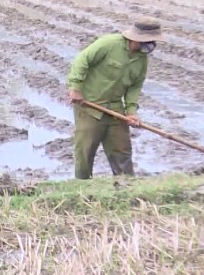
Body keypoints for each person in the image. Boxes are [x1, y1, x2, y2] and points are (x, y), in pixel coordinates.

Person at [66, 19, 164, 180]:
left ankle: (127, 187)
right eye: (150, 41)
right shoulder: (109, 44)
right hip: (90, 106)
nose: (152, 45)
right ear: (137, 38)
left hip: (115, 109)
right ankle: (82, 187)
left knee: (122, 151)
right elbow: (81, 61)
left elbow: (135, 86)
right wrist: (75, 87)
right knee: (85, 151)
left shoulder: (141, 60)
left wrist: (131, 112)